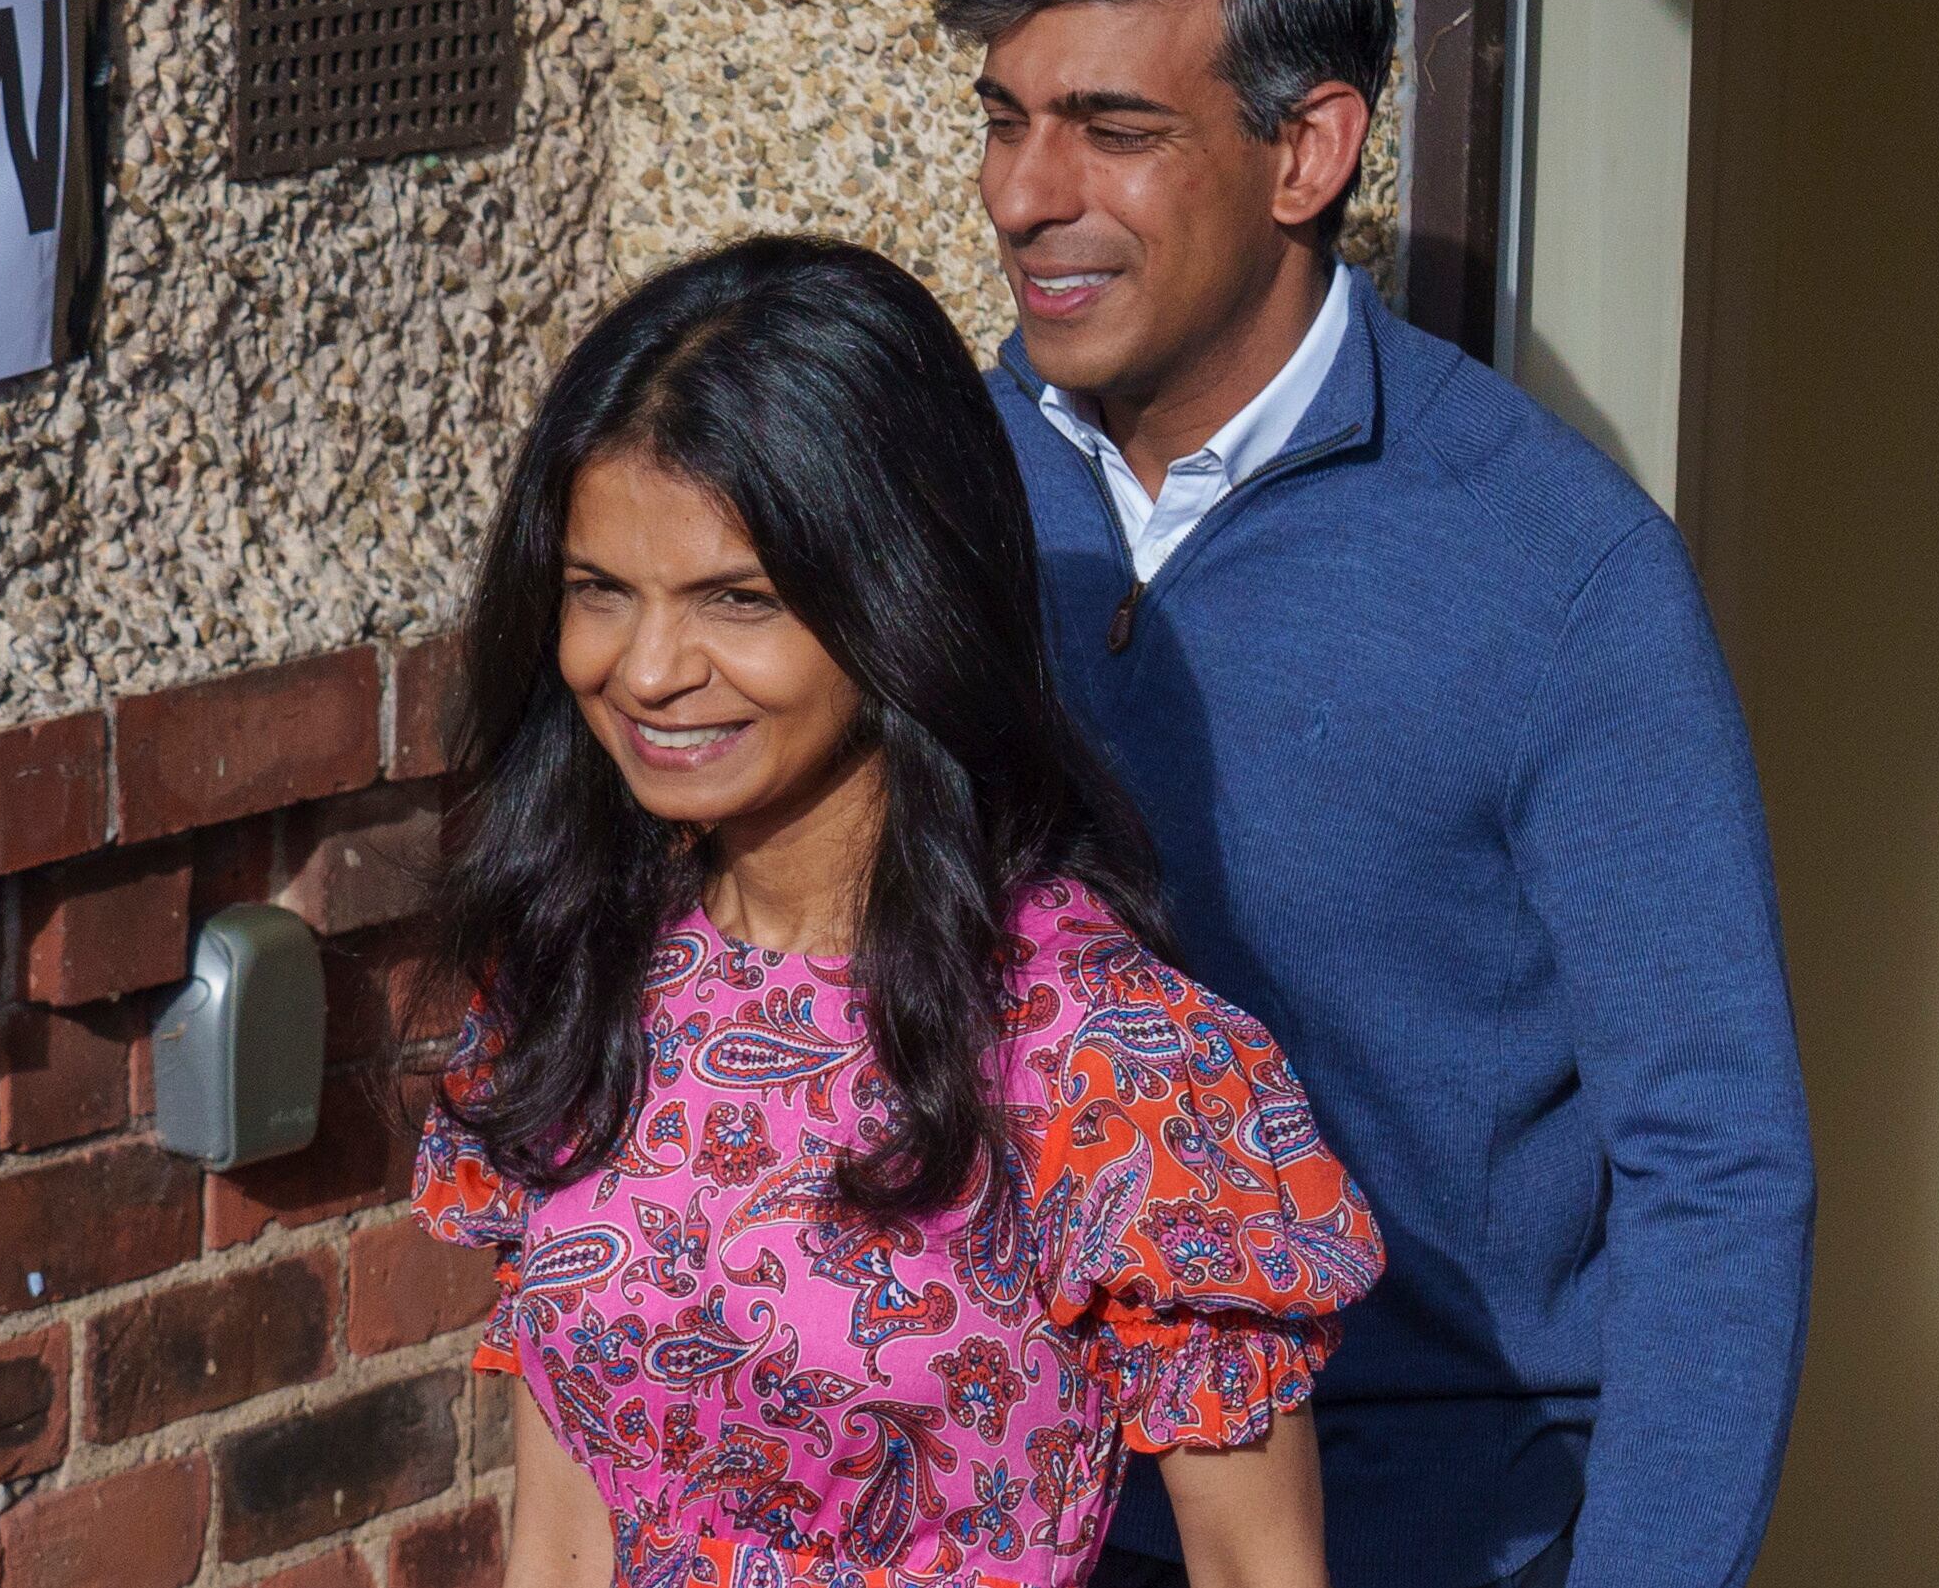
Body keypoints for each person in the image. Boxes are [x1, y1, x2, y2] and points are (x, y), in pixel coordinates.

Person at [938, 0, 1815, 1588]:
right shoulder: (924, 488)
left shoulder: (1558, 573)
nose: (1026, 193)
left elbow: (1712, 1161)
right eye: (1001, 115)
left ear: (1306, 149)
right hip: (985, 1507)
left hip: (1414, 1517)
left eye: (1110, 129)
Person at [410, 237, 1385, 1588]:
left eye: (734, 599)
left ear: (899, 597)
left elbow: (1255, 1575)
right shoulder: (579, 973)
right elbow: (560, 1541)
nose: (641, 669)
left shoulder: (1115, 1064)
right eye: (597, 590)